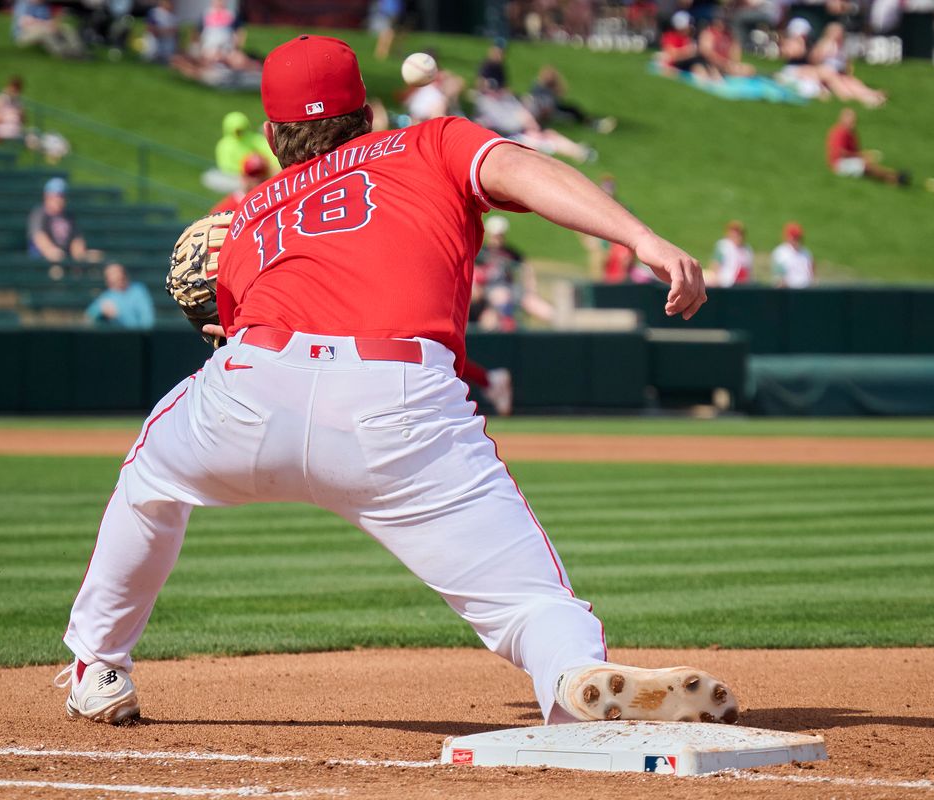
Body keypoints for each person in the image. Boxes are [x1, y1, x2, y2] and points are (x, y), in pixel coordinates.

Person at [54, 33, 733, 730]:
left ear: (270, 132)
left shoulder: (249, 213)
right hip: (396, 399)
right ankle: (572, 675)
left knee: (150, 478)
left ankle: (98, 667)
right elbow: (522, 169)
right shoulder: (428, 143)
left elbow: (227, 327)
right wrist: (639, 239)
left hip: (253, 389)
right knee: (528, 600)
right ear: (368, 113)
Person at [474, 80, 594, 164]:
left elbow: (520, 111)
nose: (496, 91)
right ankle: (578, 153)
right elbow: (502, 125)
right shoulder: (486, 104)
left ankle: (578, 150)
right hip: (512, 136)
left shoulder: (505, 99)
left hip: (523, 130)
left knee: (549, 134)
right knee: (546, 140)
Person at [472, 215, 554, 331]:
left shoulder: (511, 253)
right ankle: (506, 322)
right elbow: (474, 277)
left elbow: (526, 268)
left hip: (511, 290)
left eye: (500, 235)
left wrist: (531, 289)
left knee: (543, 309)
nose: (497, 238)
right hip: (489, 293)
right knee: (492, 316)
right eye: (495, 235)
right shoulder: (481, 253)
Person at [28, 177, 103, 274]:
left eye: (62, 196)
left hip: (66, 256)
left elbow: (77, 240)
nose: (60, 200)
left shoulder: (69, 216)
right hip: (43, 258)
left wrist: (80, 257)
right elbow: (40, 238)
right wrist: (52, 252)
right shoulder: (39, 214)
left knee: (95, 259)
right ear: (46, 196)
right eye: (57, 196)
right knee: (57, 267)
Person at [810, 22, 887, 107]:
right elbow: (813, 60)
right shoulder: (824, 44)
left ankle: (869, 93)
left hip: (838, 72)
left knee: (852, 82)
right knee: (840, 84)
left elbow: (847, 64)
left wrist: (848, 72)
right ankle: (864, 99)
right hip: (825, 72)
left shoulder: (842, 47)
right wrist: (825, 52)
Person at [826, 108, 910, 185]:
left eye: (855, 121)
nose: (854, 124)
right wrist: (862, 155)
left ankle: (894, 176)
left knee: (869, 165)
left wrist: (862, 156)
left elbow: (854, 150)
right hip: (839, 164)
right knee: (866, 166)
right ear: (843, 120)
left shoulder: (850, 132)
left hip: (846, 161)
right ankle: (894, 177)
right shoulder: (840, 132)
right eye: (852, 121)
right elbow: (841, 153)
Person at [525, 65, 617, 134]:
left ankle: (593, 122)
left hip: (552, 109)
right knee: (572, 115)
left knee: (573, 108)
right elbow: (550, 106)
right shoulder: (540, 88)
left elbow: (560, 94)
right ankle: (594, 125)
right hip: (549, 113)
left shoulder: (542, 86)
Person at [204, 111, 277, 193]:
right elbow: (226, 165)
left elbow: (269, 152)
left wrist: (266, 165)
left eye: (241, 129)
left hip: (263, 174)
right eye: (237, 130)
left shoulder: (254, 139)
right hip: (239, 179)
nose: (240, 133)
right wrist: (246, 169)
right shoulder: (225, 145)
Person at [85, 263, 155, 329]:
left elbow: (147, 322)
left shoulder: (138, 290)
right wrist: (102, 311)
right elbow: (91, 313)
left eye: (116, 273)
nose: (116, 276)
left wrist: (119, 316)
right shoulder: (107, 296)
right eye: (110, 274)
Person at [658, 11, 722, 81]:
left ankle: (713, 79)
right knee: (698, 67)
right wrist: (689, 51)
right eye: (689, 24)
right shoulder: (670, 36)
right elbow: (671, 55)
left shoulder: (688, 38)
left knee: (705, 64)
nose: (691, 26)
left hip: (688, 62)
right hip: (679, 64)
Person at [11, 0, 85, 58]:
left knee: (66, 28)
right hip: (24, 34)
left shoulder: (43, 6)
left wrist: (53, 24)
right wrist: (46, 25)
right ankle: (63, 53)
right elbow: (24, 23)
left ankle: (78, 50)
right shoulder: (24, 4)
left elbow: (48, 19)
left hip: (44, 27)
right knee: (46, 32)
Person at [707, 220, 754, 287]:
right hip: (725, 284)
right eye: (734, 232)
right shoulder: (723, 246)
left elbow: (749, 270)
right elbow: (715, 265)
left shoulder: (747, 249)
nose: (736, 235)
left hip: (743, 284)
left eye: (739, 233)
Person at [0, 76, 27, 146]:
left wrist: (19, 113)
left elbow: (24, 121)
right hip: (0, 129)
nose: (14, 91)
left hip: (14, 131)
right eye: (13, 87)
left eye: (17, 89)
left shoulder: (19, 103)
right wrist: (8, 117)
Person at [771, 222, 814, 288]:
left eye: (798, 237)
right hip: (788, 291)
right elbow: (779, 277)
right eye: (795, 237)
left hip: (805, 289)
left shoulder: (806, 253)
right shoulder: (780, 253)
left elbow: (811, 273)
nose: (797, 240)